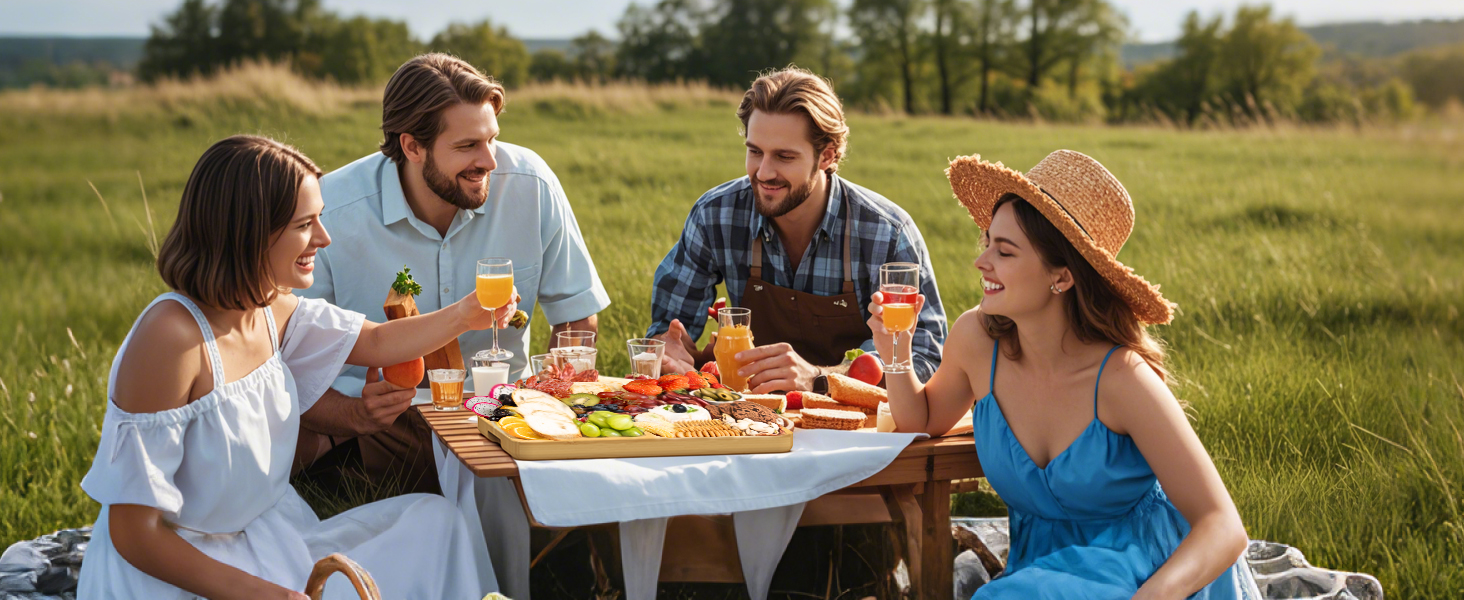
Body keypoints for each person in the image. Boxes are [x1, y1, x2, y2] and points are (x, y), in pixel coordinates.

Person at [77, 135, 504, 599]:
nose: (323, 238)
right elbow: (134, 532)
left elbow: (379, 341)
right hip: (184, 575)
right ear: (249, 230)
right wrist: (268, 595)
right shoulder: (171, 340)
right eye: (305, 224)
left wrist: (467, 313)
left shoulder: (267, 307)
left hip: (266, 543)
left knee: (436, 521)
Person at [870, 150, 1259, 598]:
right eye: (987, 243)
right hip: (1041, 575)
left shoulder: (1121, 378)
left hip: (1150, 571)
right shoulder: (977, 341)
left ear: (1062, 276)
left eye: (1005, 250)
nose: (982, 262)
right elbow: (921, 420)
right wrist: (895, 352)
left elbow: (1223, 526)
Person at [293, 53, 610, 494]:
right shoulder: (331, 210)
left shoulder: (531, 185)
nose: (490, 162)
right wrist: (353, 417)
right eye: (467, 147)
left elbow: (576, 317)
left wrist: (547, 407)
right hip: (381, 425)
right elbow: (289, 360)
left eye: (492, 140)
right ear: (412, 146)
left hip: (506, 413)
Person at [648, 67, 946, 392]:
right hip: (752, 421)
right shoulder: (715, 215)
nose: (763, 172)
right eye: (755, 151)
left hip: (862, 429)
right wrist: (668, 352)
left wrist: (821, 379)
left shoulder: (887, 232)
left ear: (826, 155)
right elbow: (666, 333)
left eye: (784, 156)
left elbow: (925, 359)